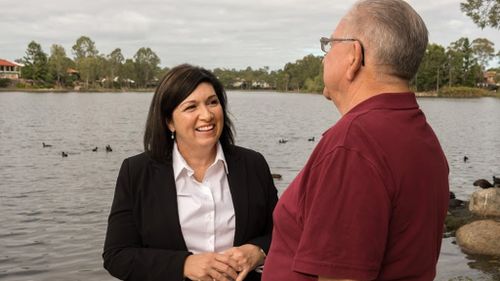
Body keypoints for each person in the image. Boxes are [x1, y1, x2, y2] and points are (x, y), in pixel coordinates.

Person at [262, 1, 449, 280]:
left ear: (353, 56)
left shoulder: (354, 144)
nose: (324, 57)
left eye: (329, 44)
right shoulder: (419, 132)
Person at [103, 64, 278, 281]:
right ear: (169, 122)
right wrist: (184, 264)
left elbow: (283, 233)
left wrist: (258, 252)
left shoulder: (253, 164)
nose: (206, 115)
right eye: (191, 107)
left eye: (212, 102)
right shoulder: (137, 172)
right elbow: (117, 255)